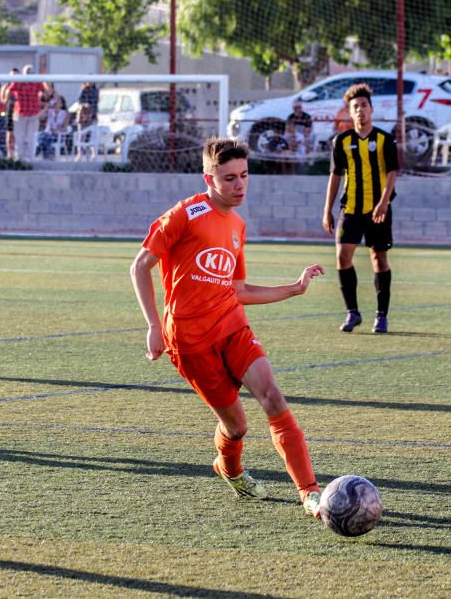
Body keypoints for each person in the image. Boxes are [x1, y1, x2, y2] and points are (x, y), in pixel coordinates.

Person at [130, 137, 325, 519]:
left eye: (245, 176)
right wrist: (153, 326)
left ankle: (309, 493)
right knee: (236, 426)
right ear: (209, 178)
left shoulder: (237, 224)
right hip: (188, 340)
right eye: (230, 178)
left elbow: (237, 290)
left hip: (231, 325)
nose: (240, 186)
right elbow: (140, 266)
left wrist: (295, 288)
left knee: (272, 395)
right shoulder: (184, 215)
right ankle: (230, 468)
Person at [322, 83, 398, 334]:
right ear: (350, 112)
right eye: (356, 107)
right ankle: (352, 313)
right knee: (342, 257)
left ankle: (381, 315)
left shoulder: (384, 139)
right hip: (350, 209)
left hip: (378, 210)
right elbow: (335, 175)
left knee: (379, 259)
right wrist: (327, 210)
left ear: (371, 109)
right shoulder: (341, 141)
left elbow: (392, 172)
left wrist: (383, 203)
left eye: (364, 105)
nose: (360, 110)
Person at [7, 65, 46, 161]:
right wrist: (6, 101)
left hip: (33, 112)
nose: (29, 74)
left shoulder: (36, 82)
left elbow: (45, 92)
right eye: (28, 72)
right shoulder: (18, 81)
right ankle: (19, 157)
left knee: (31, 137)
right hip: (20, 112)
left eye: (31, 72)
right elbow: (9, 90)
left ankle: (30, 157)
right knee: (19, 137)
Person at [36, 95, 70, 159]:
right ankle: (48, 154)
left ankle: (41, 149)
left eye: (58, 101)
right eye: (55, 101)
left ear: (62, 104)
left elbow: (65, 128)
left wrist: (57, 131)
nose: (55, 102)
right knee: (44, 135)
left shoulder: (65, 114)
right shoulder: (50, 111)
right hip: (47, 133)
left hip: (58, 135)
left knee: (44, 138)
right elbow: (39, 117)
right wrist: (47, 107)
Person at [284, 101, 314, 172]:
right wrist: (292, 135)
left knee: (305, 143)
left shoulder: (307, 116)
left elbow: (308, 131)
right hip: (293, 134)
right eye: (295, 108)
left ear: (301, 108)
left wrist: (300, 137)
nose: (297, 109)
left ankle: (304, 164)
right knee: (289, 143)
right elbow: (287, 128)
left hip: (304, 134)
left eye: (299, 107)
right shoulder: (291, 117)